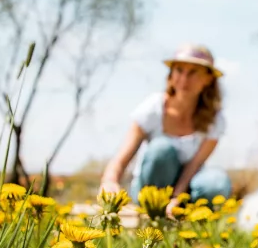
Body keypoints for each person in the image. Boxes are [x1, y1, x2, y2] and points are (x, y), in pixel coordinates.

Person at [99, 43, 232, 217]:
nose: (184, 79)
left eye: (193, 72)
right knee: (161, 149)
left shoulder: (215, 119)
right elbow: (122, 157)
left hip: (187, 188)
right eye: (179, 70)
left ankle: (188, 219)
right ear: (171, 74)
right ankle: (154, 213)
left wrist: (177, 198)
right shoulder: (153, 107)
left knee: (218, 182)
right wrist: (109, 180)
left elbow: (194, 166)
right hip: (149, 187)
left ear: (208, 79)